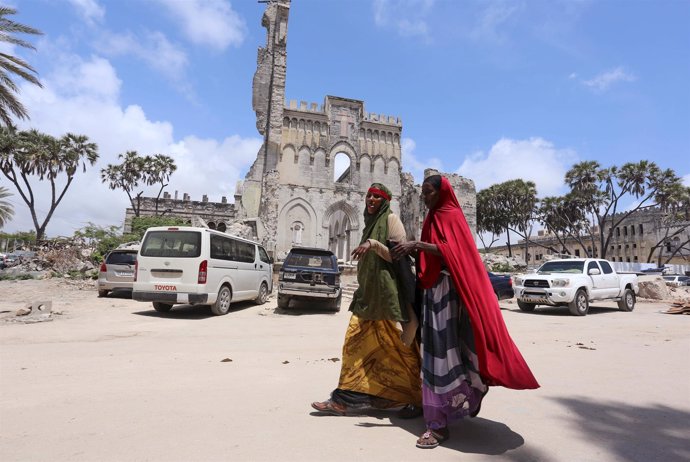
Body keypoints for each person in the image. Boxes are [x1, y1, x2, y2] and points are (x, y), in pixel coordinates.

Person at [392, 175, 539, 449]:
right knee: (432, 354)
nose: (424, 197)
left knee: (444, 354)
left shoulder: (452, 216)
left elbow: (456, 254)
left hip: (449, 296)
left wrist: (417, 245)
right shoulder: (432, 217)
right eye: (422, 192)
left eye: (428, 192)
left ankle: (439, 425)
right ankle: (437, 411)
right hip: (431, 294)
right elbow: (431, 257)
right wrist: (407, 250)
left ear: (441, 192)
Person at [311, 183, 422, 417]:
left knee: (398, 350)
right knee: (354, 344)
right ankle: (344, 399)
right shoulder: (369, 223)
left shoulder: (392, 221)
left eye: (377, 196)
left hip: (387, 297)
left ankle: (418, 397)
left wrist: (372, 244)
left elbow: (398, 258)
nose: (371, 199)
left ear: (385, 201)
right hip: (368, 295)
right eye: (368, 195)